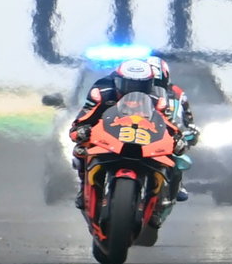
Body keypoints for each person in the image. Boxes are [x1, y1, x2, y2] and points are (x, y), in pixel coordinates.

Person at [69, 59, 187, 210]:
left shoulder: (157, 98)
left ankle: (159, 201)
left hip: (142, 136)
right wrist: (80, 130)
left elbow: (167, 123)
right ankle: (83, 187)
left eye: (141, 85)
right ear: (118, 81)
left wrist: (177, 137)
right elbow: (86, 115)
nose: (134, 89)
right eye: (129, 84)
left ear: (150, 84)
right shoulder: (102, 91)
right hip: (108, 133)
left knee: (170, 157)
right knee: (80, 149)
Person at [146, 54, 198, 203]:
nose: (154, 86)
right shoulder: (130, 91)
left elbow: (188, 118)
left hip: (165, 134)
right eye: (150, 82)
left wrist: (190, 131)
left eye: (158, 82)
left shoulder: (178, 93)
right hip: (134, 131)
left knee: (178, 158)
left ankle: (175, 187)